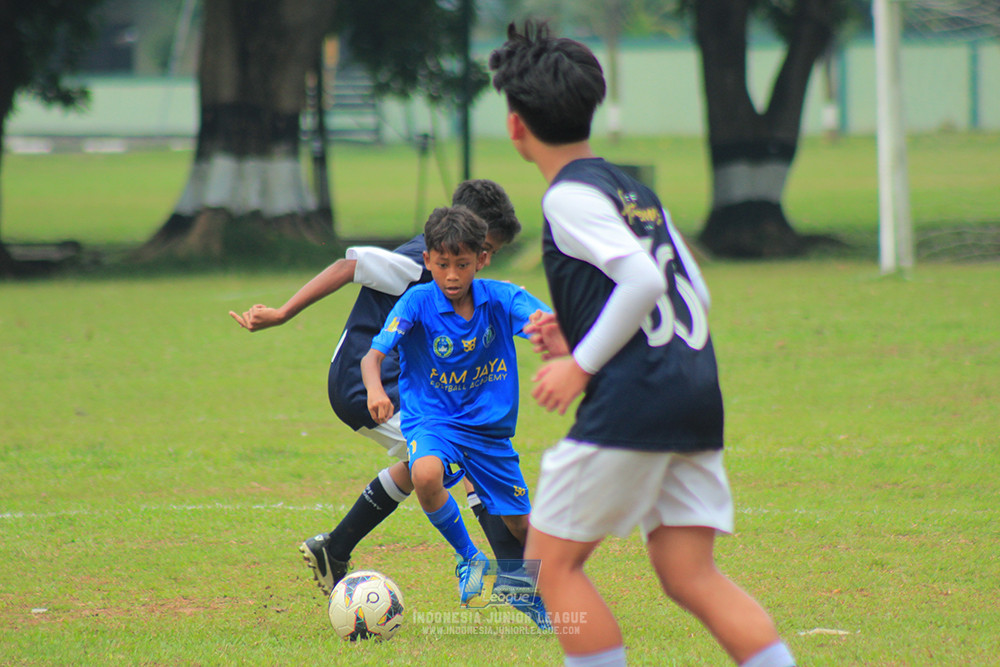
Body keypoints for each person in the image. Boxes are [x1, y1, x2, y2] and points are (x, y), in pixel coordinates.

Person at [489, 20, 796, 667]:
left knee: (550, 569)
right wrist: (578, 332)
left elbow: (643, 277)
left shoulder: (567, 196)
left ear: (516, 124)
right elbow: (691, 291)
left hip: (636, 401)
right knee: (689, 572)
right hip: (694, 390)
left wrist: (582, 362)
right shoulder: (634, 191)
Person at [229, 180, 528, 598]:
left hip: (399, 383)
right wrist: (281, 314)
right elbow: (346, 266)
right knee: (459, 456)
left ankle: (335, 548)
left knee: (430, 462)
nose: (486, 260)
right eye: (488, 248)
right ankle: (516, 578)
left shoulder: (452, 277)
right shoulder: (416, 264)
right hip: (365, 382)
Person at [360, 205, 550, 625]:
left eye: (462, 264)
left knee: (525, 529)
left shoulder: (501, 298)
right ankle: (471, 559)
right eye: (442, 264)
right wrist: (375, 389)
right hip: (433, 422)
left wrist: (554, 333)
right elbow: (372, 358)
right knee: (424, 473)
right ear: (426, 260)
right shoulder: (416, 302)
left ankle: (527, 592)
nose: (451, 276)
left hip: (489, 433)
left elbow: (545, 322)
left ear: (481, 259)